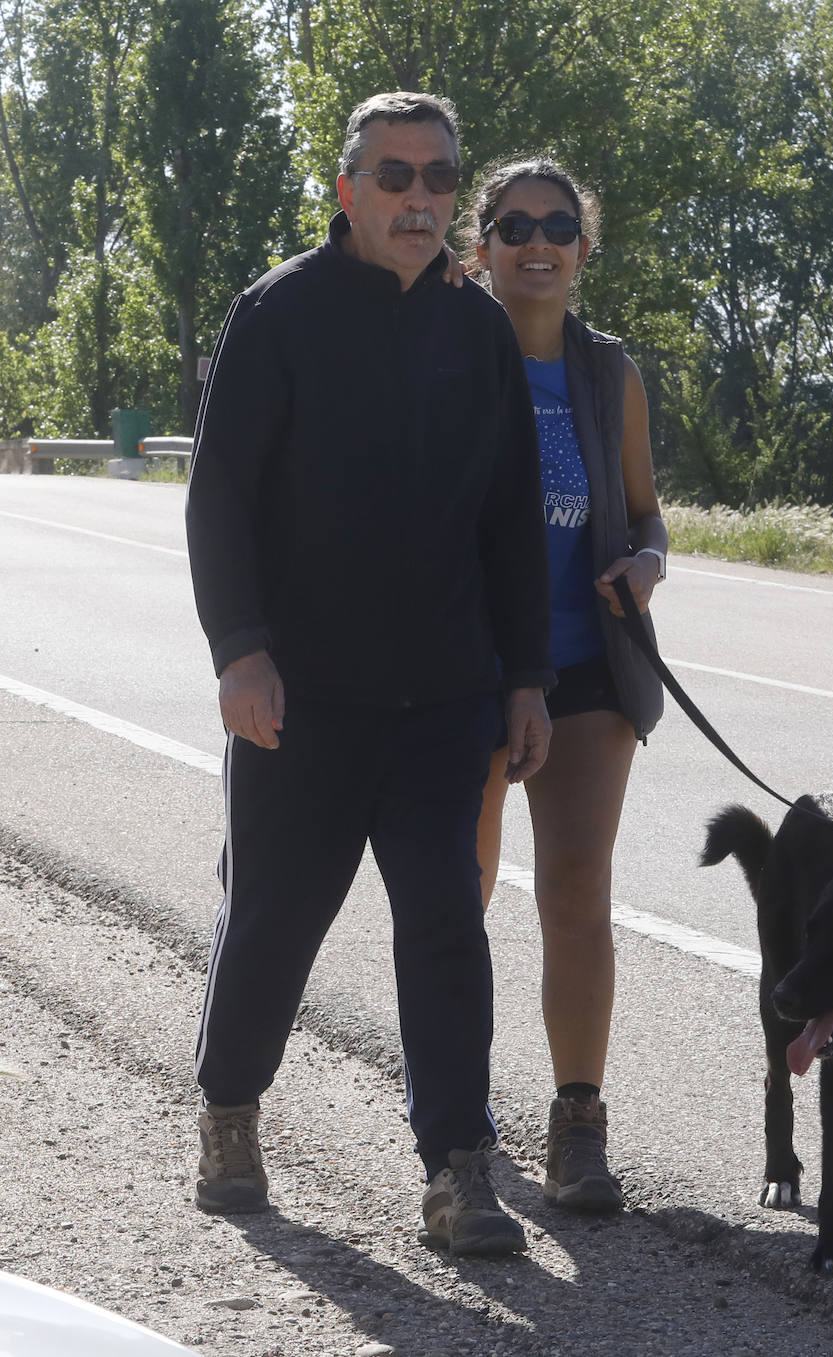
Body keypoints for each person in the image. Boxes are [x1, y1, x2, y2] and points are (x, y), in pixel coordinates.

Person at [184, 92, 554, 1258]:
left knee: (448, 924)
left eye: (440, 180)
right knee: (278, 918)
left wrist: (527, 675)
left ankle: (458, 1168)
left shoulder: (480, 330)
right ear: (348, 189)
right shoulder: (279, 313)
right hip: (302, 699)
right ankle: (231, 1110)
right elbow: (221, 496)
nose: (419, 199)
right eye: (395, 176)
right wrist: (241, 650)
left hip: (444, 697)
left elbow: (509, 522)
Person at [462, 158, 666, 1212]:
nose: (536, 240)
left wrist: (644, 565)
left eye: (558, 223)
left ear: (585, 247)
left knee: (576, 890)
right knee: (461, 897)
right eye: (513, 223)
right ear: (482, 244)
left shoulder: (608, 372)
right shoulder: (446, 349)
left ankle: (578, 1121)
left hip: (589, 669)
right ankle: (458, 1128)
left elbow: (645, 515)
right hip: (467, 669)